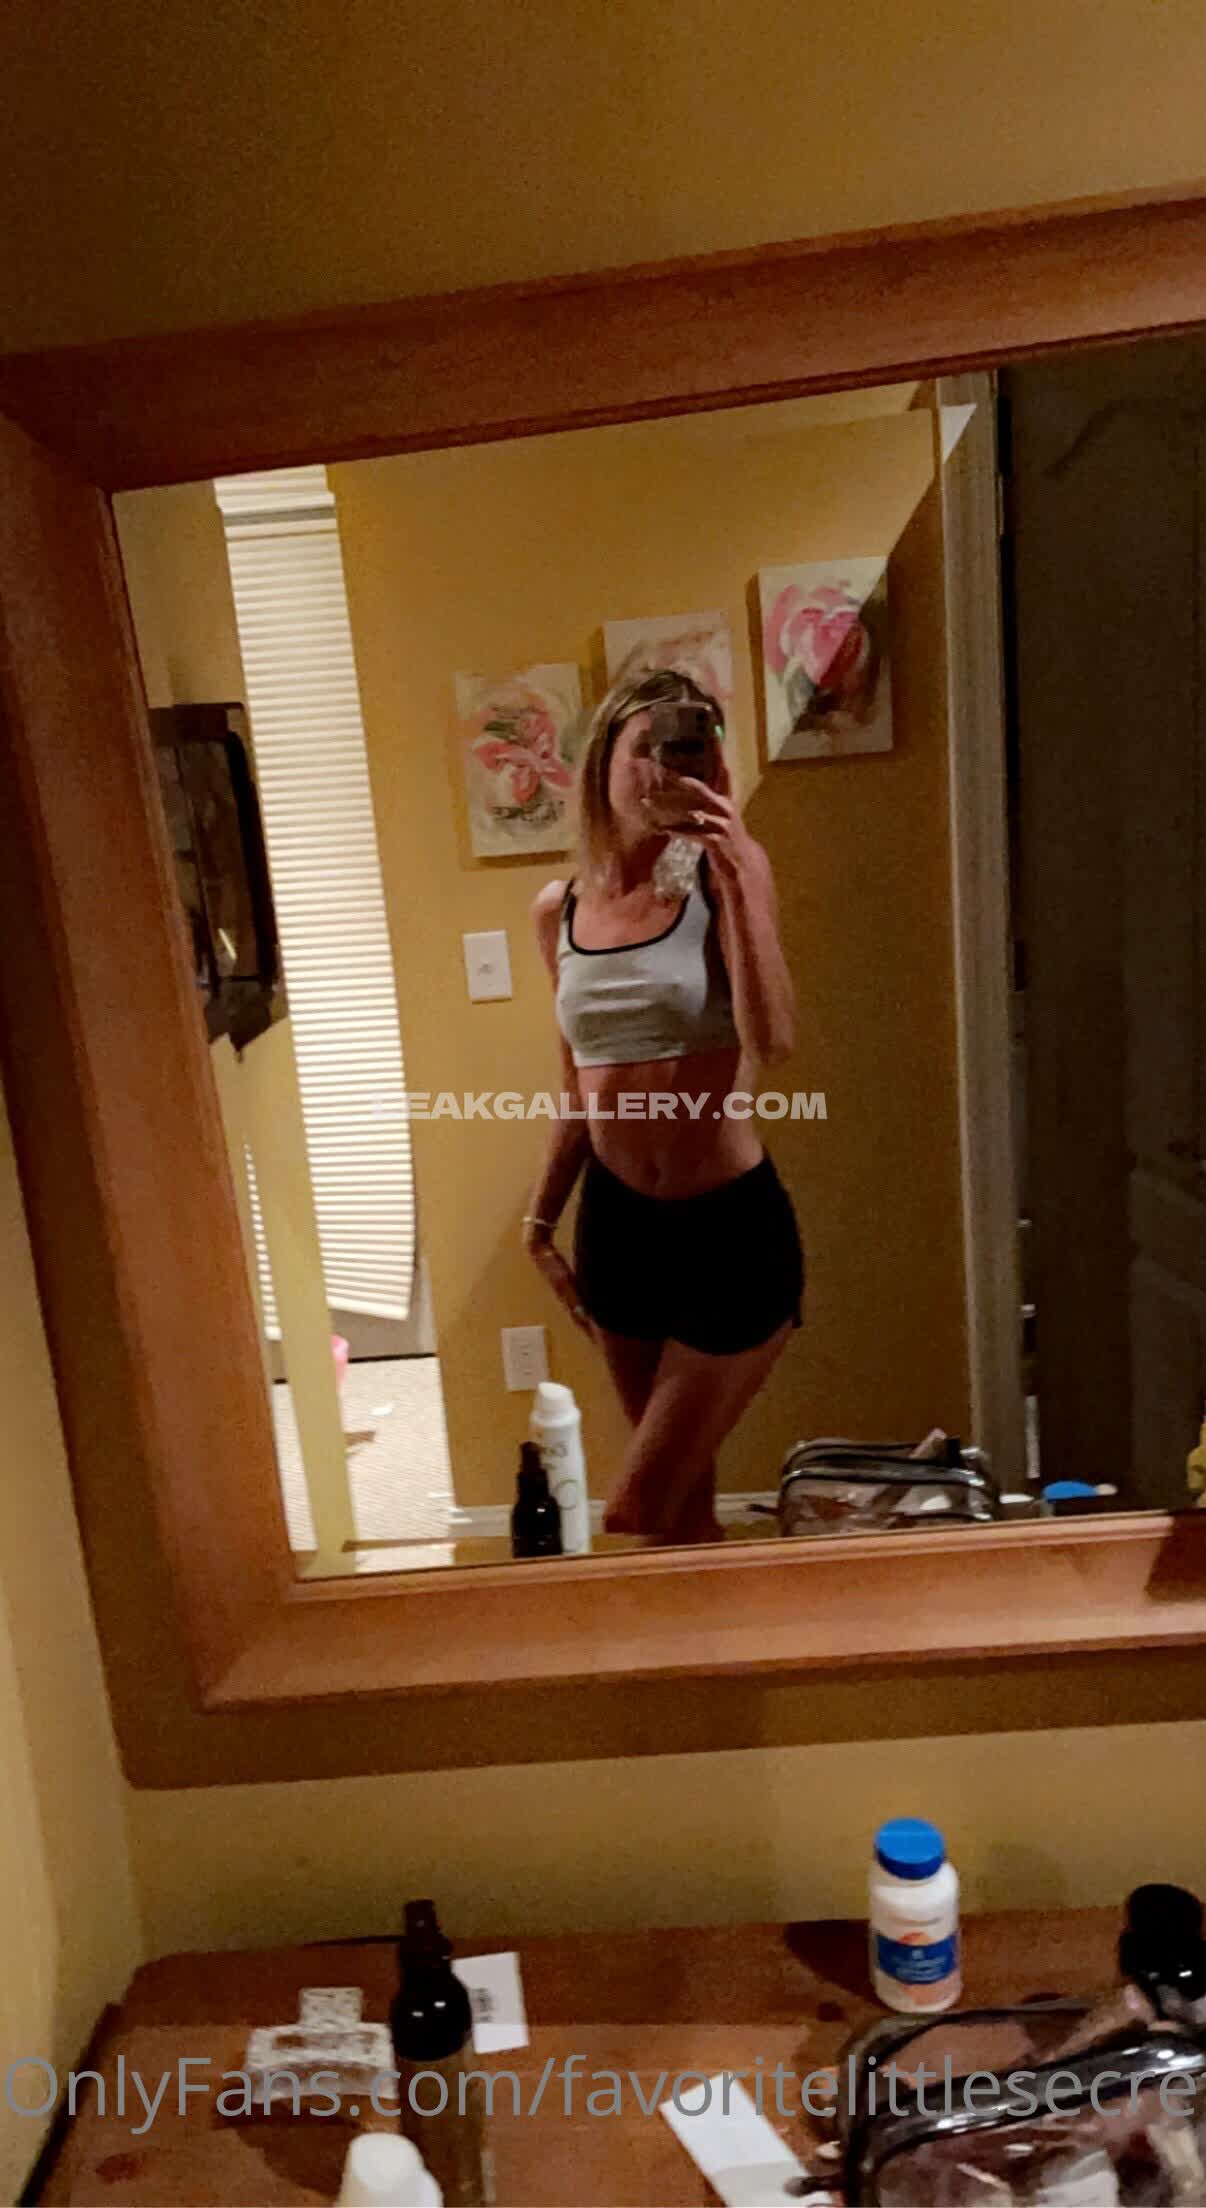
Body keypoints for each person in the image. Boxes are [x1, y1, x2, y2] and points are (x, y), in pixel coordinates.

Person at [525, 666, 804, 1544]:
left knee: (636, 1506)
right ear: (603, 761)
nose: (661, 770)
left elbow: (773, 1039)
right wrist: (540, 1222)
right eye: (645, 747)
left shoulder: (725, 874)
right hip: (617, 1233)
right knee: (678, 1518)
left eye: (686, 748)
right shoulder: (559, 910)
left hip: (728, 1232)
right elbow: (576, 1088)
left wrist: (737, 871)